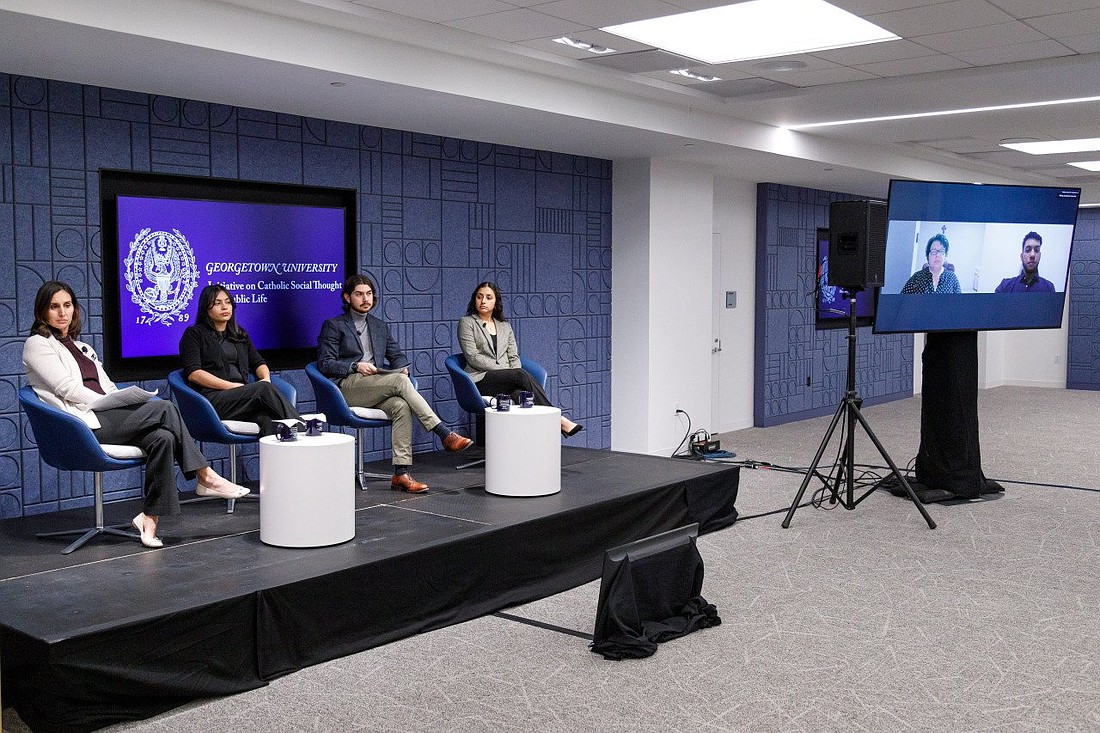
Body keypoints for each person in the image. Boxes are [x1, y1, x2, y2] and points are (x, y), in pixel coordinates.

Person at [23, 281, 249, 549]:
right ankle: (205, 476)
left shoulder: (80, 347)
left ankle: (149, 520)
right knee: (165, 407)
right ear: (42, 313)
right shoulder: (37, 344)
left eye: (68, 305)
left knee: (163, 437)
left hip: (105, 414)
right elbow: (67, 388)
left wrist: (117, 398)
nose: (62, 313)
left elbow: (106, 385)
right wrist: (109, 403)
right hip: (82, 423)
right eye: (54, 307)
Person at [317, 274, 472, 493]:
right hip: (348, 388)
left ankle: (401, 474)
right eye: (359, 294)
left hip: (376, 385)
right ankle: (444, 433)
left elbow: (397, 354)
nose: (365, 299)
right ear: (347, 297)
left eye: (369, 294)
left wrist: (402, 366)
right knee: (400, 382)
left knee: (401, 405)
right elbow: (325, 363)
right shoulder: (334, 326)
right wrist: (355, 366)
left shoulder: (380, 326)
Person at [457, 281, 582, 437]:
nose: (483, 301)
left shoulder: (504, 326)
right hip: (480, 380)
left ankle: (532, 440)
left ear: (496, 302)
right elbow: (473, 357)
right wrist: (509, 372)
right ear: (474, 299)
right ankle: (557, 419)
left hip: (505, 381)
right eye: (479, 297)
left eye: (489, 297)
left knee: (520, 395)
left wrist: (511, 373)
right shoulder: (467, 322)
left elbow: (513, 356)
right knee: (519, 375)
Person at [178, 284, 302, 437]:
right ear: (206, 308)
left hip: (242, 399)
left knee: (268, 420)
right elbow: (194, 374)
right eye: (217, 303)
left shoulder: (239, 334)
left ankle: (278, 459)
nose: (224, 307)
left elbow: (259, 362)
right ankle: (303, 431)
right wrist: (232, 387)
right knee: (262, 389)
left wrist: (266, 380)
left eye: (228, 302)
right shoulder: (194, 334)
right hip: (212, 401)